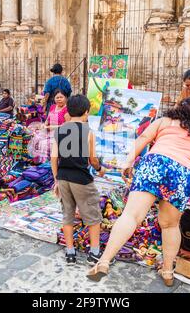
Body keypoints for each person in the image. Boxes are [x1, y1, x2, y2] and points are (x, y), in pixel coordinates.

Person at [86, 97, 190, 286]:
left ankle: (104, 261)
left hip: (156, 164)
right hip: (183, 174)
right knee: (170, 225)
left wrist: (128, 161)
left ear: (178, 110)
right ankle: (168, 271)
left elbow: (143, 138)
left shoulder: (164, 121)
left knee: (131, 216)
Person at [51, 94, 107, 265]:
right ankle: (95, 253)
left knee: (67, 214)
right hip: (81, 179)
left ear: (68, 110)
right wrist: (100, 169)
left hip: (63, 178)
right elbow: (93, 160)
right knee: (92, 215)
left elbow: (54, 158)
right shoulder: (88, 132)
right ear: (86, 112)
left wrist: (56, 180)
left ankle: (70, 253)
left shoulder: (59, 131)